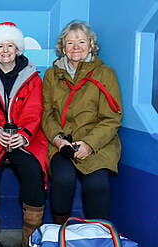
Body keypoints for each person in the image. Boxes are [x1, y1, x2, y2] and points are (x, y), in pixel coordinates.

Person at [0, 22, 49, 247]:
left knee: (34, 171)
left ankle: (30, 242)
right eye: (0, 46)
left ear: (18, 50)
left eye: (10, 45)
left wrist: (23, 135)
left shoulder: (33, 76)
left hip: (27, 138)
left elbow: (35, 109)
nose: (5, 50)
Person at [41, 20, 122, 224]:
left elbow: (111, 118)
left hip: (97, 143)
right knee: (62, 180)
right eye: (70, 42)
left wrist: (89, 144)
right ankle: (61, 232)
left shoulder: (105, 73)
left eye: (81, 42)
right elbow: (47, 114)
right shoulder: (51, 75)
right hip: (63, 143)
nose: (76, 47)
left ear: (91, 45)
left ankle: (98, 234)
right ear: (62, 47)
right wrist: (58, 140)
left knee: (97, 185)